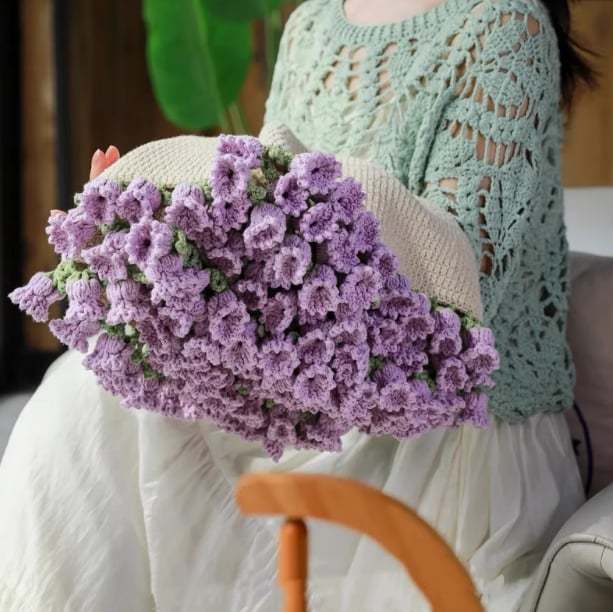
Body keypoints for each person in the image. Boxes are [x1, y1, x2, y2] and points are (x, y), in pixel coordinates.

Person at [0, 0, 593, 610]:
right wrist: (160, 238)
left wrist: (298, 211)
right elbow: (264, 208)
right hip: (296, 395)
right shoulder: (312, 23)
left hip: (446, 430)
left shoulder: (505, 25)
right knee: (89, 395)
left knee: (96, 412)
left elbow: (461, 300)